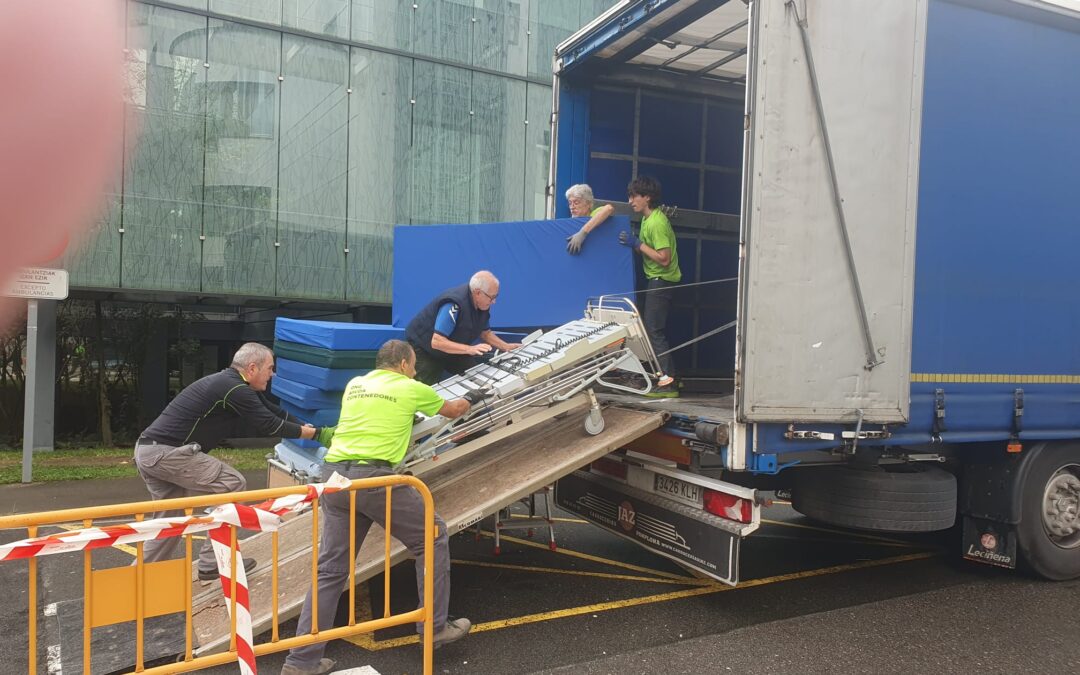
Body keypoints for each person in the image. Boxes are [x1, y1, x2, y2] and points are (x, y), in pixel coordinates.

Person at [281, 340, 479, 675]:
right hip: (373, 478)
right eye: (413, 366)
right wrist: (472, 397)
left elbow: (374, 418)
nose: (414, 372)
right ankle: (434, 628)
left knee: (330, 571)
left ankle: (301, 661)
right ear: (403, 364)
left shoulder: (356, 385)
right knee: (432, 537)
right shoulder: (411, 387)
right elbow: (454, 410)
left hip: (334, 478)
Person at [134, 342, 322, 580]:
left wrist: (305, 425)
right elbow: (269, 425)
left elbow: (274, 411)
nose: (272, 374)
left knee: (170, 520)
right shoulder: (234, 389)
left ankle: (136, 578)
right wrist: (312, 435)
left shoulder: (232, 384)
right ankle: (213, 562)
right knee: (231, 483)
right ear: (252, 368)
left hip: (149, 450)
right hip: (167, 453)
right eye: (270, 368)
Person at [619, 176, 681, 398]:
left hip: (662, 280)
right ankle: (670, 377)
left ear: (647, 197)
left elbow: (664, 258)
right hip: (655, 279)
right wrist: (636, 245)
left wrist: (637, 244)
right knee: (652, 330)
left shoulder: (656, 223)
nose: (630, 201)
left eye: (634, 196)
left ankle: (669, 383)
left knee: (654, 331)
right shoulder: (647, 220)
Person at [404, 270, 520, 385]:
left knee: (478, 378)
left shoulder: (483, 304)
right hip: (426, 349)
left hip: (454, 348)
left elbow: (485, 333)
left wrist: (506, 346)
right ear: (478, 293)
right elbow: (437, 342)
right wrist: (469, 349)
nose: (494, 301)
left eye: (496, 296)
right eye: (492, 297)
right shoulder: (454, 304)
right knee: (423, 387)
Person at [565, 183, 615, 254]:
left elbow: (609, 208)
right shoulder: (568, 223)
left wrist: (582, 233)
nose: (572, 207)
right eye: (570, 203)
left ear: (588, 204)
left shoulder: (594, 215)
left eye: (576, 202)